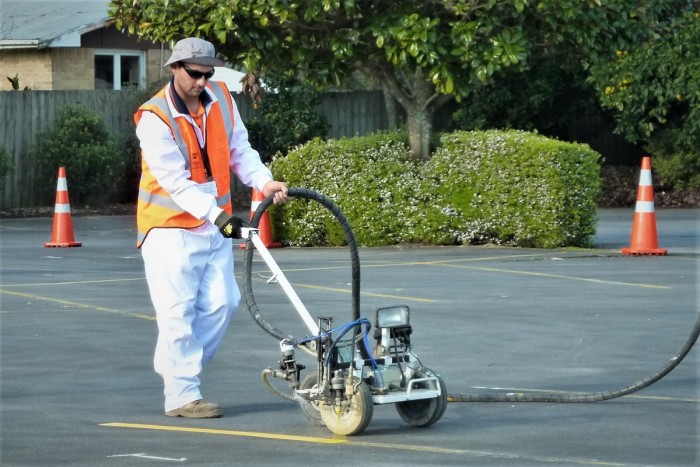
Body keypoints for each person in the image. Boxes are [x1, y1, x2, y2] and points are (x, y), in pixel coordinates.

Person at [134, 37, 290, 418]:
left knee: (225, 301)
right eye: (195, 74)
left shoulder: (221, 98)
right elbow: (175, 181)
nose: (202, 82)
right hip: (169, 228)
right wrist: (217, 216)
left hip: (213, 223)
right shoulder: (154, 117)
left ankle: (179, 373)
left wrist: (263, 181)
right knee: (177, 311)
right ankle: (182, 393)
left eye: (208, 74)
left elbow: (240, 148)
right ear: (174, 68)